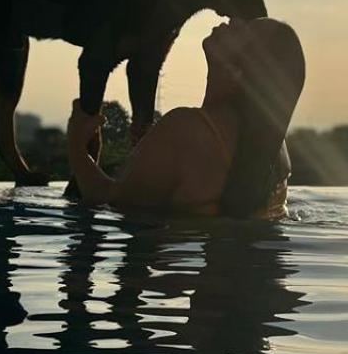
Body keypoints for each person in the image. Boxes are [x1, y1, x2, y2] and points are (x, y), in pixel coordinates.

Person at [66, 17, 305, 218]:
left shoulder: (184, 131)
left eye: (243, 31)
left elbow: (111, 201)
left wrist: (77, 147)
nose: (234, 21)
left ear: (239, 72)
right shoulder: (274, 150)